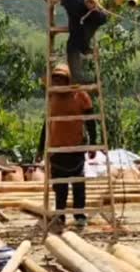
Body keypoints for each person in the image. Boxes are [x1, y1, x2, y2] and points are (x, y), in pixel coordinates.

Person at [37, 63, 98, 227]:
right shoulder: (52, 97)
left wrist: (93, 143)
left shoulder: (81, 96)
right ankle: (60, 215)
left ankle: (79, 215)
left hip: (75, 145)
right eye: (55, 80)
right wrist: (40, 148)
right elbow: (47, 124)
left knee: (78, 183)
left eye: (61, 80)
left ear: (68, 80)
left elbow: (90, 122)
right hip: (57, 147)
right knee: (60, 185)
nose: (58, 83)